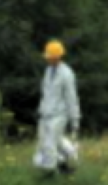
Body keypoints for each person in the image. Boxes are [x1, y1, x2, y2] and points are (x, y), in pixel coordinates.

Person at [34, 40, 81, 175]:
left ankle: (49, 174)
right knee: (48, 142)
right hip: (45, 113)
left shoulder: (67, 74)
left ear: (57, 57)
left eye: (50, 57)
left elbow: (71, 98)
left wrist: (75, 119)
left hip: (59, 115)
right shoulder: (48, 71)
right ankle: (65, 162)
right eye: (47, 57)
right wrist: (41, 109)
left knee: (50, 144)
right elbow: (45, 93)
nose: (47, 59)